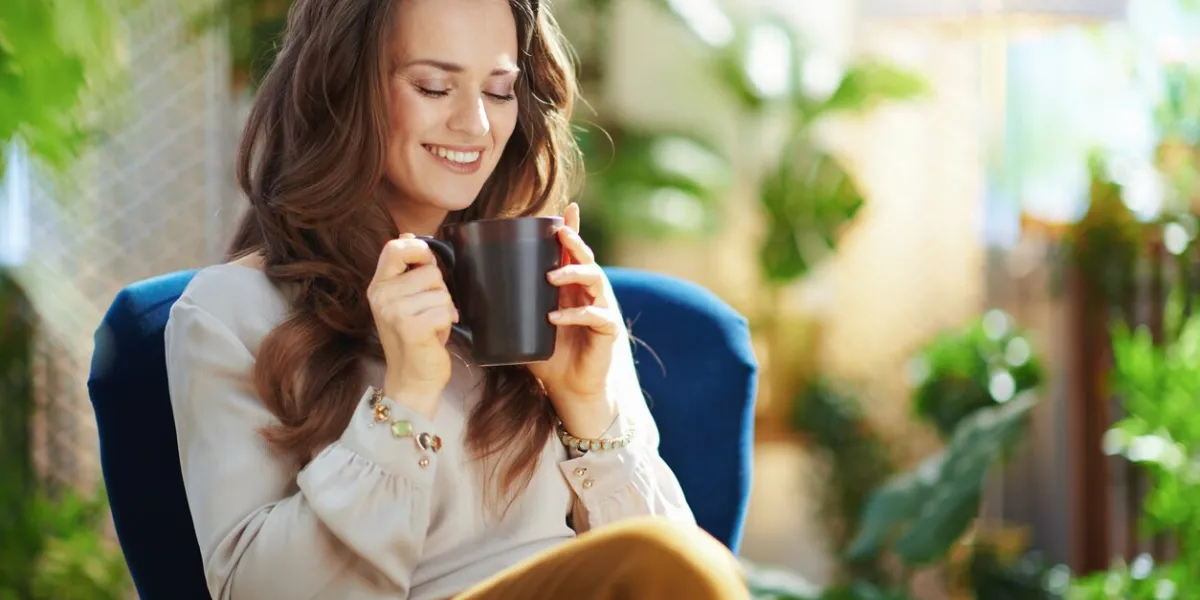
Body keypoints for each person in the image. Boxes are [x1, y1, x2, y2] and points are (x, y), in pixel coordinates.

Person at [164, 0, 749, 598]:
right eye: (434, 86)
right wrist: (404, 402)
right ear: (343, 90)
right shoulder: (231, 311)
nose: (475, 124)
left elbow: (677, 573)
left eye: (498, 92)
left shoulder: (544, 280)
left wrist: (588, 407)